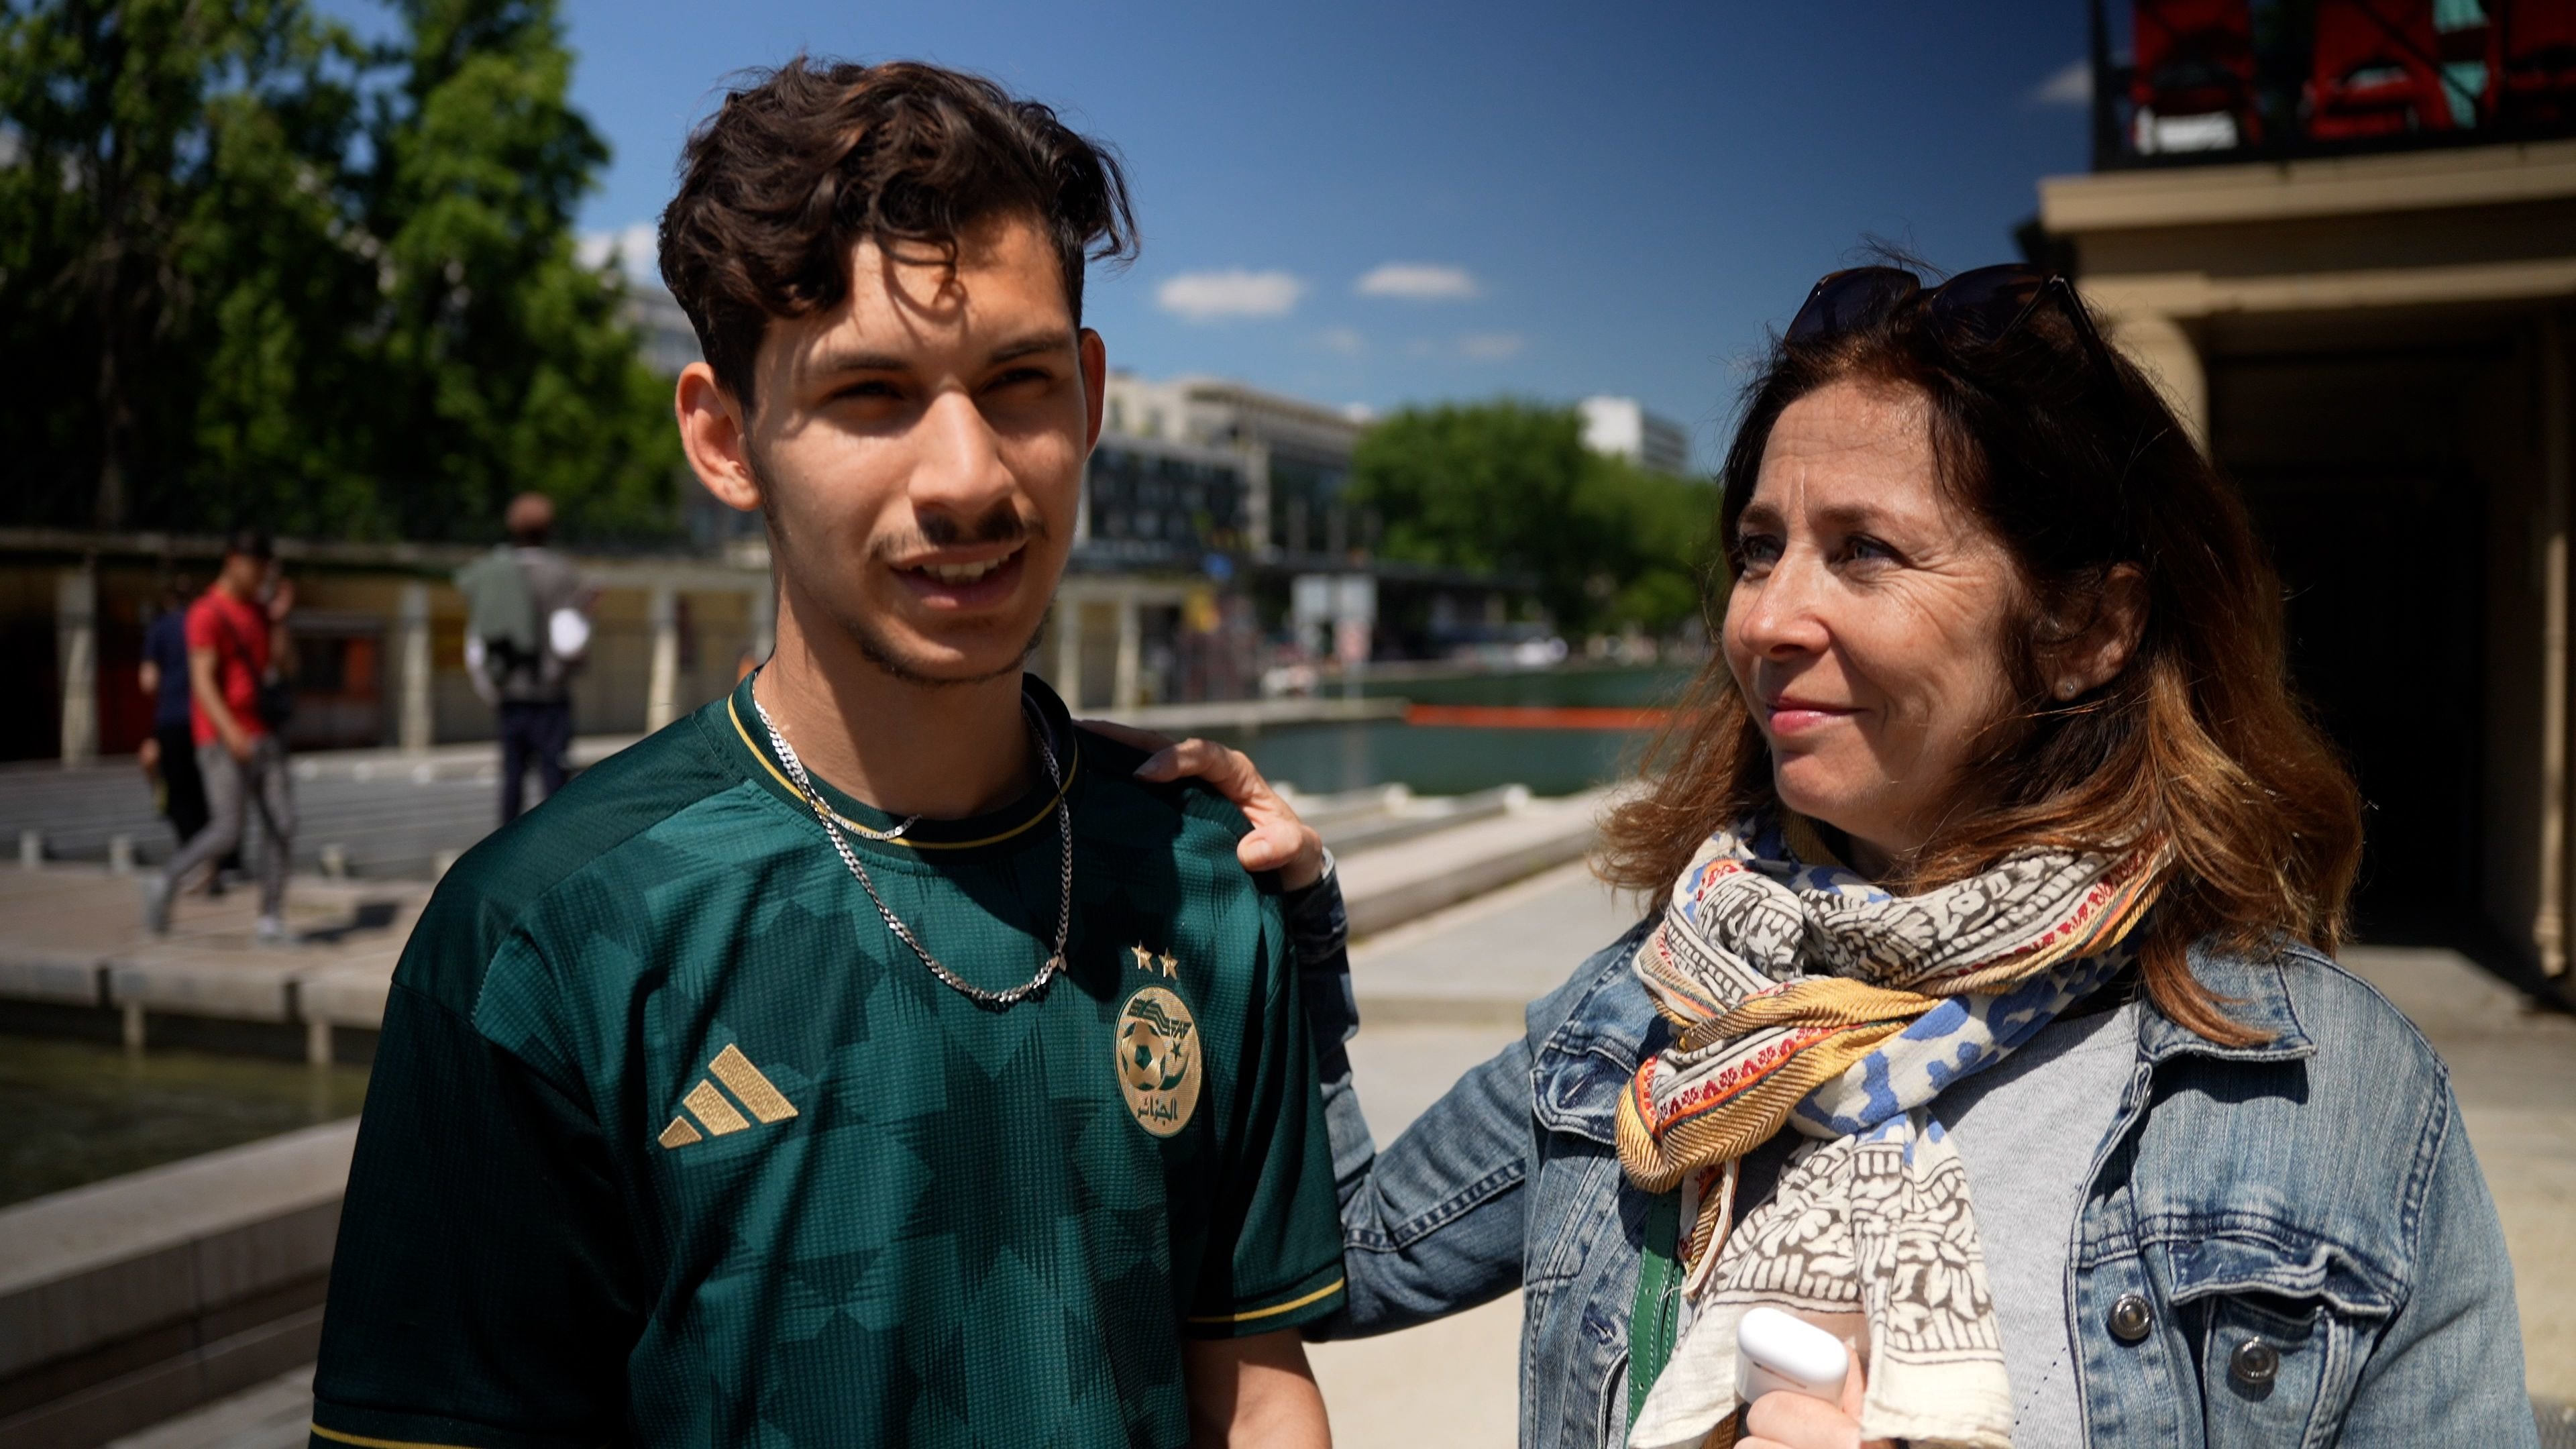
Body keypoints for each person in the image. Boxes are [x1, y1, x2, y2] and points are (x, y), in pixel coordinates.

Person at [1148, 263, 2542, 1448]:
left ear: (2088, 631)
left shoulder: (2328, 1094)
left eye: (1866, 553)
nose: (1772, 618)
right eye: (1761, 550)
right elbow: (1339, 1256)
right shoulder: (1634, 1016)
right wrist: (1273, 921)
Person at [308, 59, 1343, 1449]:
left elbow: (1255, 1390)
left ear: (1090, 395)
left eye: (1019, 380)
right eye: (872, 394)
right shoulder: (542, 947)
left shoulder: (1206, 883)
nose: (970, 472)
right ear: (726, 438)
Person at [144, 531, 297, 944]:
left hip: (265, 732)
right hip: (220, 737)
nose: (262, 578)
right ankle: (167, 879)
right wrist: (229, 730)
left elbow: (282, 667)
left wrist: (280, 618)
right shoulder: (207, 612)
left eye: (267, 570)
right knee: (228, 830)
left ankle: (270, 918)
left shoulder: (261, 612)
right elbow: (202, 680)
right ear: (234, 561)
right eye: (257, 569)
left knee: (283, 824)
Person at [455, 491, 590, 822]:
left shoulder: (491, 574)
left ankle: (505, 857)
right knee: (554, 783)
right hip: (551, 697)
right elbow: (568, 642)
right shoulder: (563, 575)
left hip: (511, 698)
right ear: (550, 529)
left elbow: (477, 645)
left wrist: (493, 690)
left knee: (512, 780)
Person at [137, 578, 217, 877]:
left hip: (172, 720)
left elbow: (148, 682)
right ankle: (213, 862)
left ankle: (193, 860)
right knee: (206, 792)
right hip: (208, 720)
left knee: (179, 795)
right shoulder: (207, 623)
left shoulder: (160, 629)